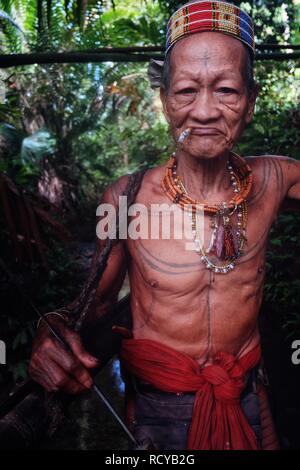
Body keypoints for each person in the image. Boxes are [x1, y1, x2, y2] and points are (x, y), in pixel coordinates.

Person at [29, 1, 300, 450]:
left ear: (250, 102)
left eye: (228, 91)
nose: (206, 111)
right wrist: (52, 328)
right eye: (187, 91)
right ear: (165, 102)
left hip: (246, 393)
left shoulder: (275, 180)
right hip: (160, 411)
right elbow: (90, 305)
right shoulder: (126, 198)